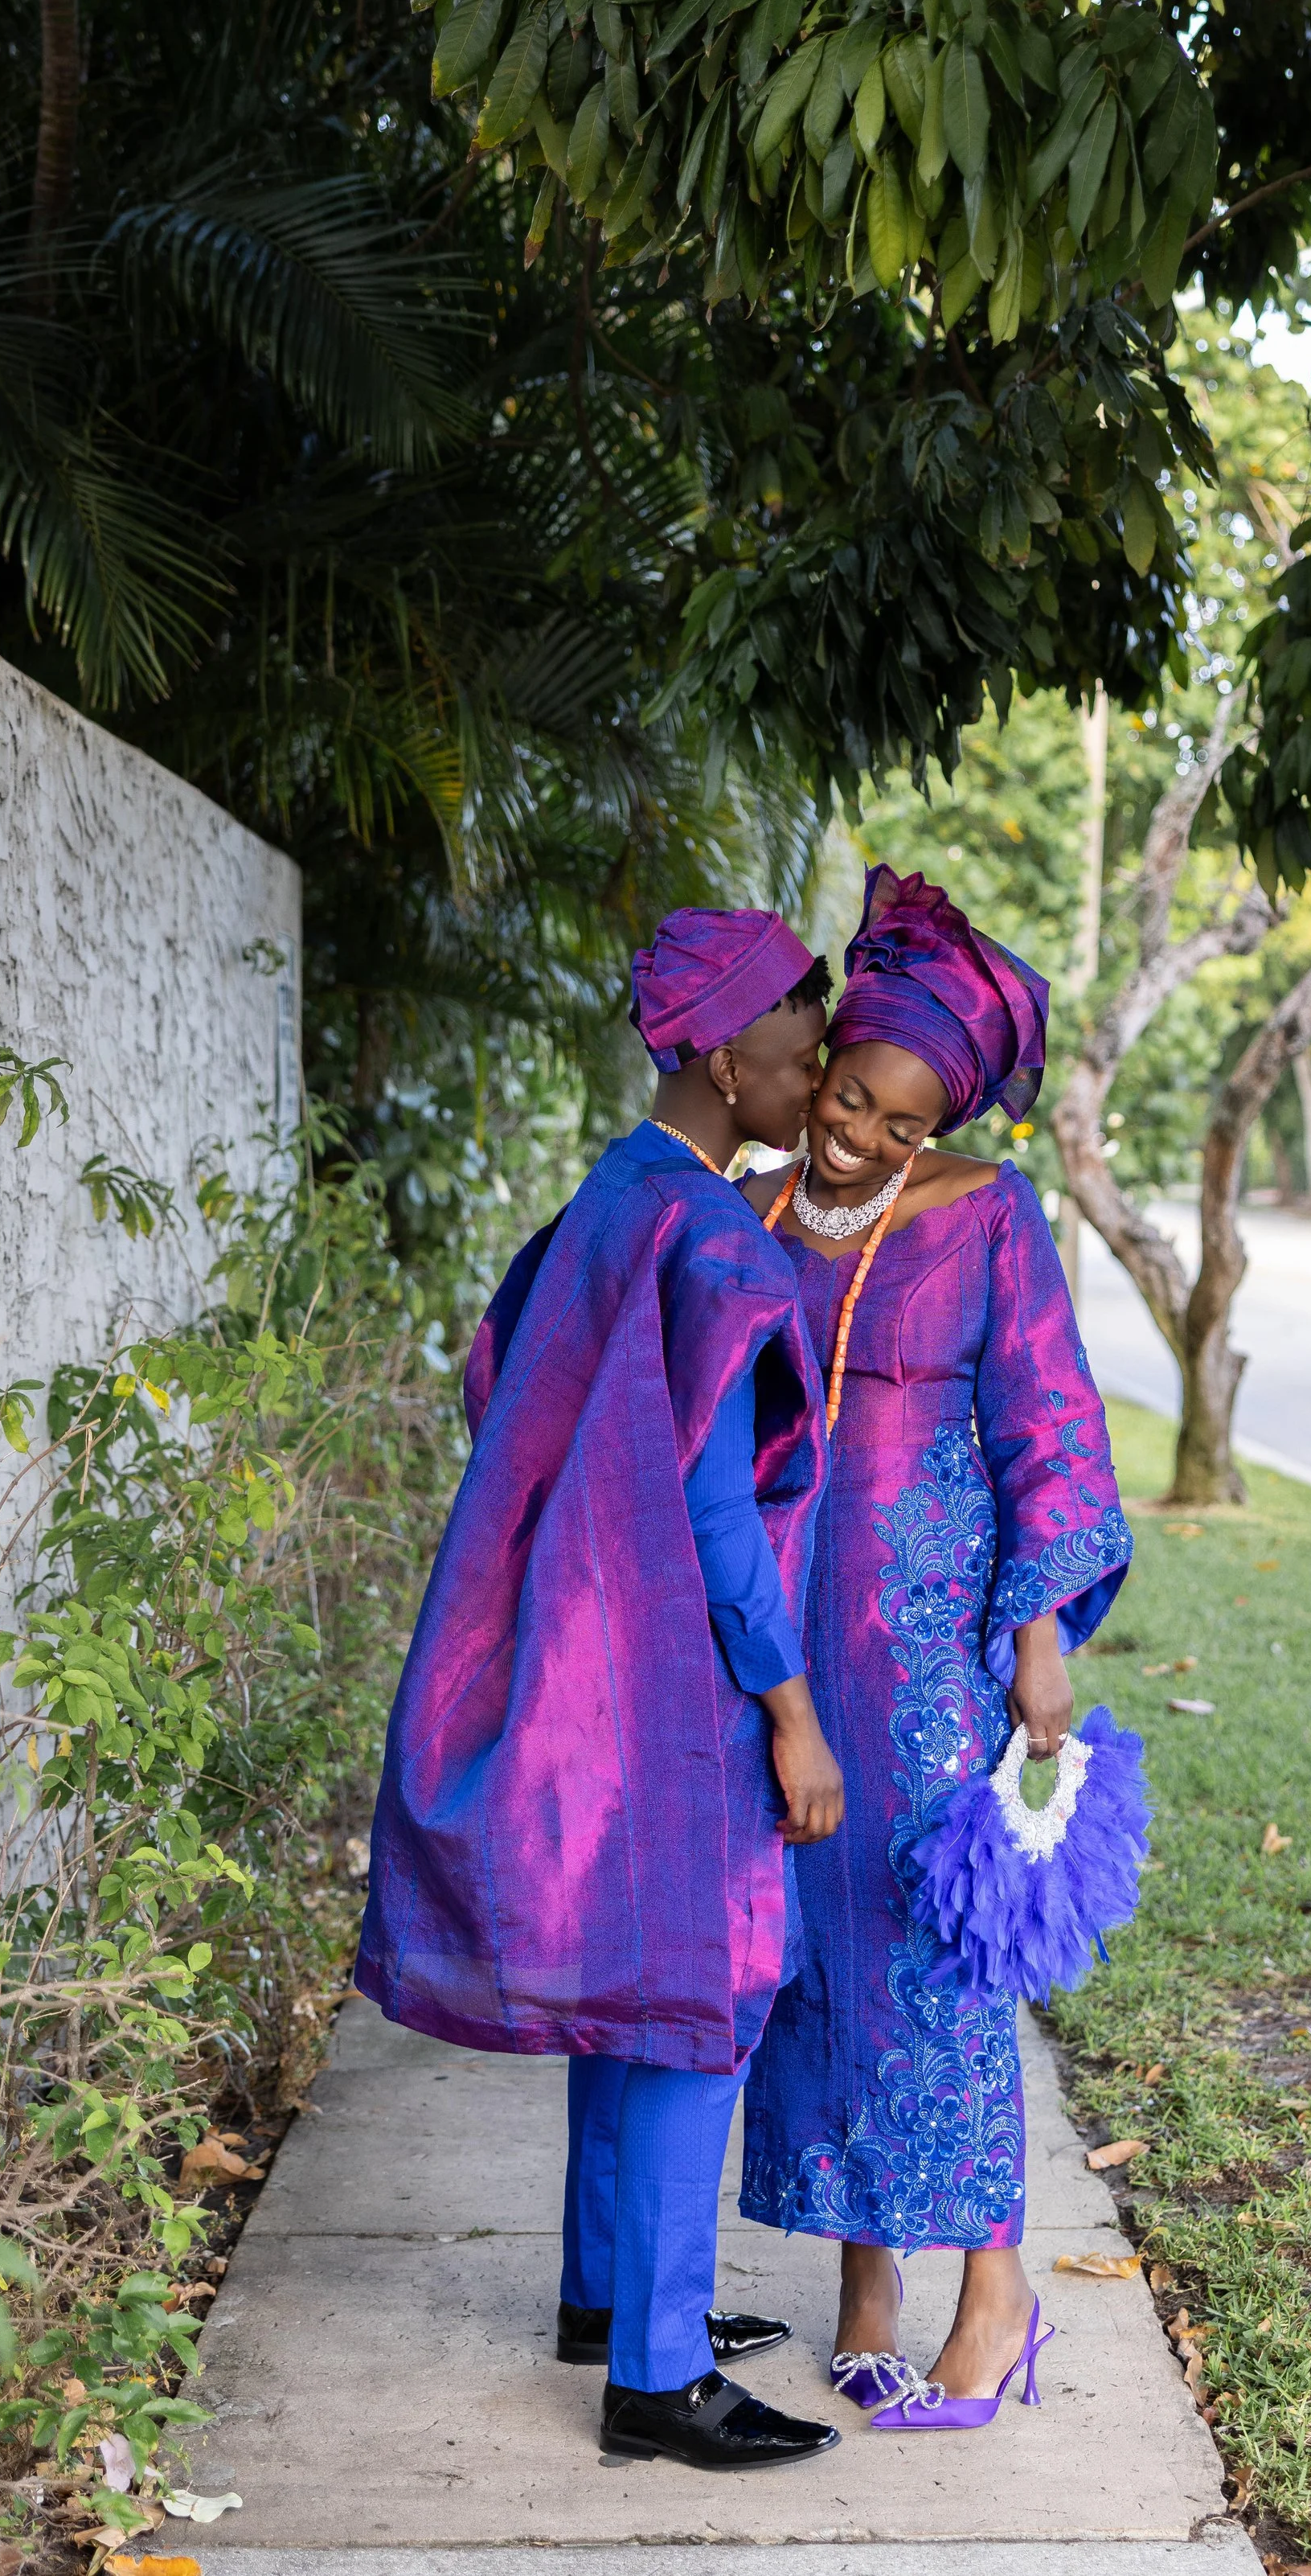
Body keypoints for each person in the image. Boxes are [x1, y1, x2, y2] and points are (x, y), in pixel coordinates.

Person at [356, 906, 848, 2472]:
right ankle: (654, 2373)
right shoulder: (708, 1237)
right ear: (719, 1053)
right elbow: (713, 1504)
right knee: (697, 2001)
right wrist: (789, 1705)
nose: (818, 1078)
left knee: (625, 1987)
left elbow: (500, 1378)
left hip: (594, 1655)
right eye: (796, 1052)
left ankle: (602, 2295)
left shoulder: (614, 1195)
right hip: (683, 1673)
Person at [739, 866, 1133, 2432]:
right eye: (849, 1098)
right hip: (781, 1654)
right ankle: (862, 2283)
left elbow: (1047, 1429)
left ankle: (995, 2291)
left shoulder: (985, 1219)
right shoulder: (758, 1208)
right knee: (812, 1954)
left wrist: (1038, 1642)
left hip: (930, 1666)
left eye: (903, 1123)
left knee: (943, 1963)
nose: (865, 1136)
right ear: (823, 1058)